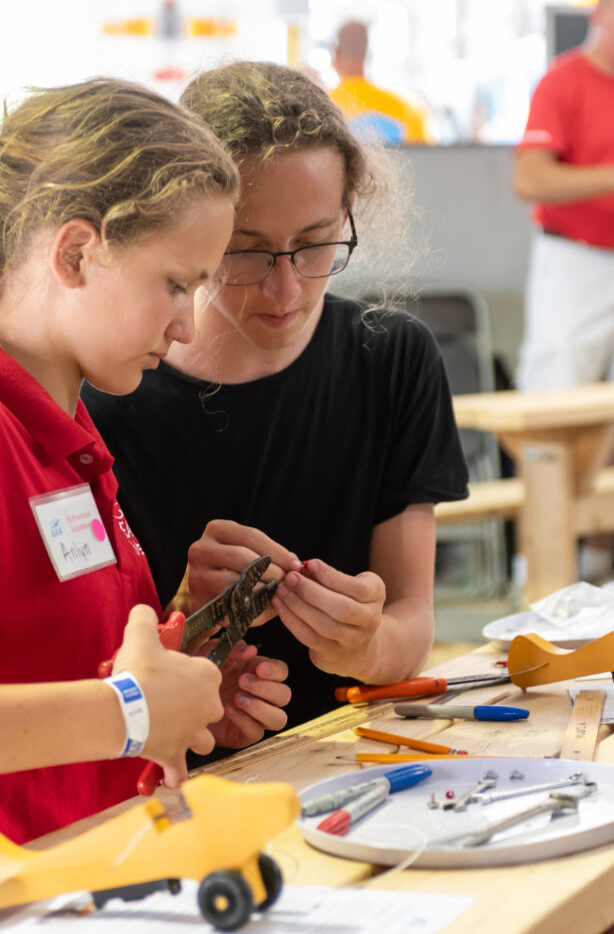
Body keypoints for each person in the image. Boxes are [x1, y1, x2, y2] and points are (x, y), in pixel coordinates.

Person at [0, 77, 291, 881]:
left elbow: (39, 673)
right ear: (76, 253)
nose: (188, 323)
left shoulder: (70, 440)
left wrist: (182, 680)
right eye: (175, 282)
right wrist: (127, 712)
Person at [83, 61, 469, 731]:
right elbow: (84, 673)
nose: (284, 289)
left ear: (348, 215)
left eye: (316, 245)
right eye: (247, 250)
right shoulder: (112, 389)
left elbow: (410, 624)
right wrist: (189, 652)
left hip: (347, 747)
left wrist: (366, 644)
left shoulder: (391, 358)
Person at [514, 0, 614, 582]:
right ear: (599, 16)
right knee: (555, 417)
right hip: (575, 264)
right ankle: (537, 568)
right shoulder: (562, 82)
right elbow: (531, 179)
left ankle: (598, 569)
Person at [329, 19, 430, 143]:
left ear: (336, 55)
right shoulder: (410, 109)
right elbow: (427, 159)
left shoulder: (321, 108)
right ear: (369, 54)